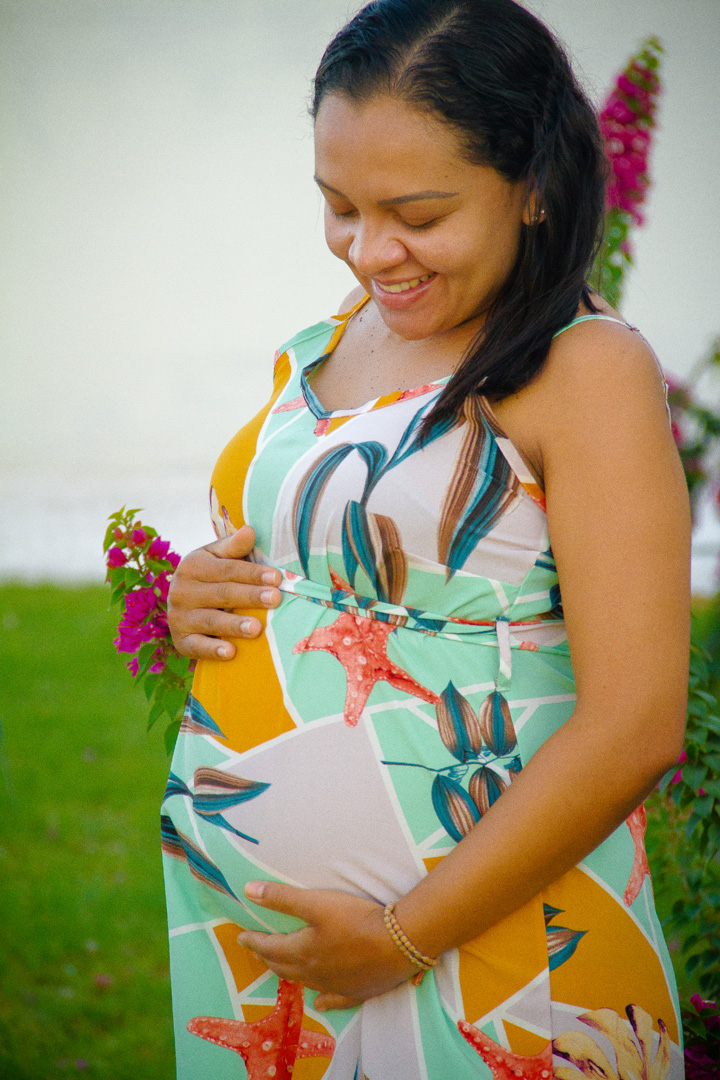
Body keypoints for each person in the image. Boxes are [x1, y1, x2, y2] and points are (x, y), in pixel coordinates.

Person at [162, 1, 690, 1077]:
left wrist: (401, 939)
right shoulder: (343, 331)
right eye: (339, 207)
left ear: (533, 185)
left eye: (416, 214)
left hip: (495, 954)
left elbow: (636, 725)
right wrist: (201, 595)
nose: (370, 251)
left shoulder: (585, 369)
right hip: (274, 964)